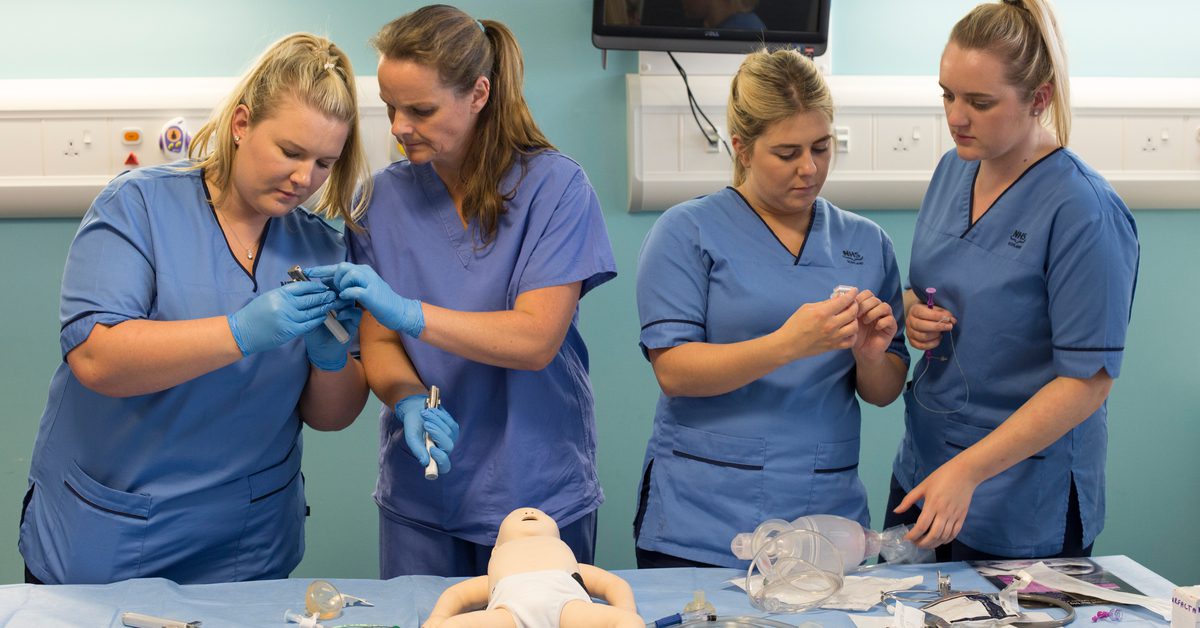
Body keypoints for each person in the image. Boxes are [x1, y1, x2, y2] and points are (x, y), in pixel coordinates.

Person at [16, 33, 436, 585]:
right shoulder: (138, 207)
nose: (304, 179)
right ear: (241, 125)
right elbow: (97, 360)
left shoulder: (319, 247)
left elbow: (330, 417)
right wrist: (241, 330)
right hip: (113, 531)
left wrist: (331, 363)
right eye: (290, 152)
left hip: (249, 540)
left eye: (323, 163)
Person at [306, 4, 616, 578]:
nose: (399, 126)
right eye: (390, 107)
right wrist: (405, 400)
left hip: (537, 492)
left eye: (421, 109)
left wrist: (409, 312)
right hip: (424, 493)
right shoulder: (378, 203)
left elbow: (535, 339)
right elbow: (378, 344)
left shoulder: (556, 189)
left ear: (478, 93)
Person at [632, 48, 909, 569]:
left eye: (822, 148)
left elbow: (884, 391)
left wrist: (871, 356)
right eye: (787, 153)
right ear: (741, 147)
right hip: (705, 519)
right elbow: (675, 371)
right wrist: (789, 344)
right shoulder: (686, 232)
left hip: (825, 522)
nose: (809, 168)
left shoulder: (867, 243)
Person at [886, 0, 1140, 561]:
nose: (956, 117)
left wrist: (968, 471)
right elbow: (933, 283)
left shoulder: (1084, 212)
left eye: (979, 102)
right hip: (925, 465)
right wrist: (912, 310)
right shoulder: (954, 167)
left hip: (1020, 496)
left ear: (1039, 98)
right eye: (947, 94)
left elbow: (1088, 382)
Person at [422, 507, 643, 628]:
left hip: (568, 608)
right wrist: (438, 619)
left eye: (542, 515)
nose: (528, 512)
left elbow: (612, 584)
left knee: (630, 623)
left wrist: (625, 612)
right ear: (495, 551)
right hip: (509, 614)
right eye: (516, 516)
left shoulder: (572, 565)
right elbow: (458, 595)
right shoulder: (494, 575)